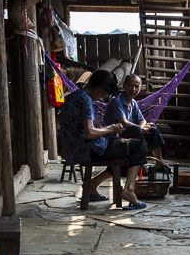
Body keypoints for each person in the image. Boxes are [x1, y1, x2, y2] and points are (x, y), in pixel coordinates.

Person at [59, 69, 147, 209]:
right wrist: (111, 128)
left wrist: (105, 130)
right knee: (138, 147)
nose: (102, 98)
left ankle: (92, 186)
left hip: (75, 149)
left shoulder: (75, 95)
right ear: (99, 87)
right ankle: (129, 190)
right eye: (104, 93)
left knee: (128, 148)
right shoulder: (86, 100)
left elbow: (83, 128)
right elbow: (89, 133)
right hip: (88, 150)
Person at [104, 74, 169, 173]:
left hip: (129, 134)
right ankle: (140, 162)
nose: (133, 89)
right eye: (130, 85)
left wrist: (142, 128)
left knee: (152, 129)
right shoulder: (116, 101)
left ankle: (159, 164)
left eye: (137, 86)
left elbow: (143, 120)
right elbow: (124, 123)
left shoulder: (133, 103)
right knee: (136, 129)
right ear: (124, 86)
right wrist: (140, 129)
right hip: (115, 138)